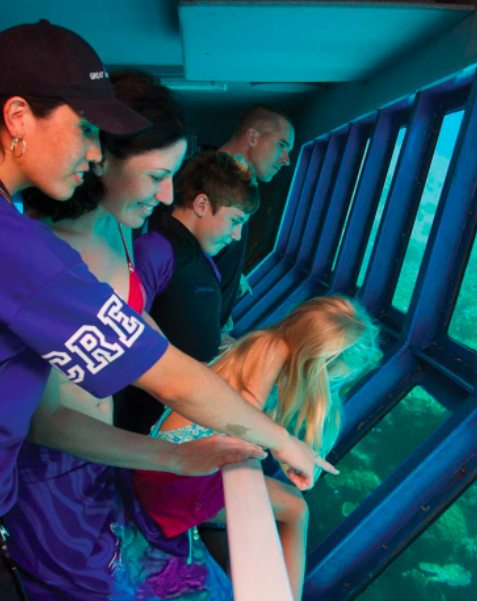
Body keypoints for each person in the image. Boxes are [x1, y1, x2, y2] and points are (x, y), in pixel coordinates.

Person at [0, 21, 332, 601]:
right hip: (46, 502)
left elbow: (47, 414)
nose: (95, 151)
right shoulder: (31, 252)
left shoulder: (83, 239)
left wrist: (172, 458)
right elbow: (168, 375)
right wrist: (283, 441)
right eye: (84, 130)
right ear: (18, 117)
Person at [132, 296, 381, 600]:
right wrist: (282, 445)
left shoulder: (267, 344)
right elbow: (237, 419)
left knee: (289, 505)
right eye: (333, 377)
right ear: (318, 360)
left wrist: (283, 445)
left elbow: (241, 412)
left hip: (166, 467)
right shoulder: (273, 349)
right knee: (295, 508)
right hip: (170, 480)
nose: (331, 387)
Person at [114, 150, 259, 434]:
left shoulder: (206, 262)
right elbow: (125, 333)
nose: (236, 235)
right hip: (139, 417)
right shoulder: (154, 251)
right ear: (202, 204)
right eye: (235, 221)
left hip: (178, 413)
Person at [216, 105, 295, 338]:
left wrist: (232, 277)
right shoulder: (212, 182)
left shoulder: (240, 185)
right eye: (281, 145)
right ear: (252, 137)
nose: (286, 160)